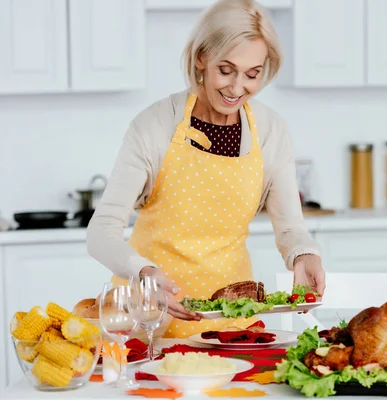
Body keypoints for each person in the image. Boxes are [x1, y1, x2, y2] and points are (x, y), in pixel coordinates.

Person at [86, 0, 325, 338]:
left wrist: (304, 255)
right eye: (225, 70)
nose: (237, 88)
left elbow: (290, 228)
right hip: (151, 321)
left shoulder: (270, 131)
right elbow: (101, 232)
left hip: (231, 326)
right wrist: (143, 272)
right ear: (201, 57)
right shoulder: (154, 126)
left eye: (252, 74)